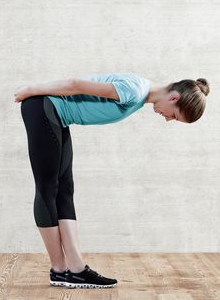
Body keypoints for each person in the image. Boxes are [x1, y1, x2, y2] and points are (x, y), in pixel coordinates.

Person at [15, 72, 210, 288]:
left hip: (55, 114)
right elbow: (75, 84)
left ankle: (76, 268)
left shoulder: (140, 94)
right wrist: (31, 90)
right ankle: (59, 269)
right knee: (47, 188)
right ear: (174, 98)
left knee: (65, 190)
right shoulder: (134, 91)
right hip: (43, 106)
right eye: (173, 116)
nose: (167, 119)